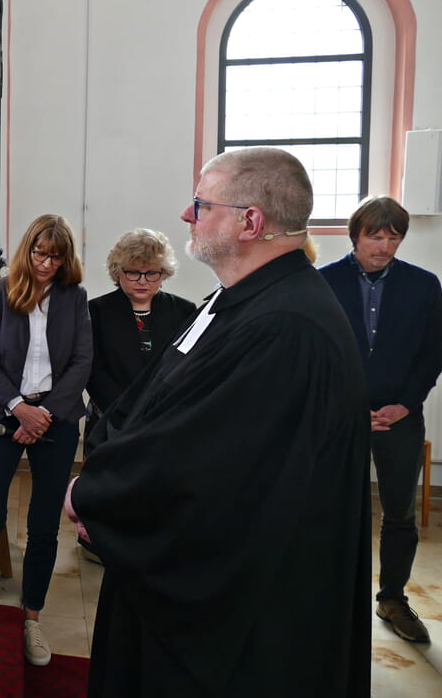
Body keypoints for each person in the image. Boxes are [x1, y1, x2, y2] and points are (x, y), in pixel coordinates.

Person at [67, 147, 371, 697]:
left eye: (201, 204)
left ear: (250, 221)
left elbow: (210, 462)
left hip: (238, 624)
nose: (187, 215)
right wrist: (105, 477)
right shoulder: (232, 300)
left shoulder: (287, 326)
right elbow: (151, 398)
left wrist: (98, 494)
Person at [0, 214, 92, 668]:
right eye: (39, 253)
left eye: (55, 256)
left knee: (45, 525)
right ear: (27, 249)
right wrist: (19, 406)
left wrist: (45, 414)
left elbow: (80, 362)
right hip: (4, 411)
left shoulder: (75, 298)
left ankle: (33, 613)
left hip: (56, 416)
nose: (47, 264)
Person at [319, 196, 442, 644]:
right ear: (355, 235)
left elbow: (433, 351)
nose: (384, 245)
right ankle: (331, 598)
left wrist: (408, 403)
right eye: (376, 235)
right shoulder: (322, 282)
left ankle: (392, 598)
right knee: (332, 508)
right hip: (341, 416)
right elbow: (317, 356)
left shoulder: (424, 285)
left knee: (400, 514)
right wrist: (348, 408)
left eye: (394, 237)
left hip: (400, 416)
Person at [85, 228, 197, 450]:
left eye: (152, 273)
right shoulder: (96, 310)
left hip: (163, 421)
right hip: (111, 419)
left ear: (163, 273)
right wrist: (126, 412)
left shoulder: (184, 310)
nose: (142, 281)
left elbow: (187, 367)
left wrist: (157, 411)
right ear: (118, 272)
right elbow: (93, 369)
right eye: (133, 273)